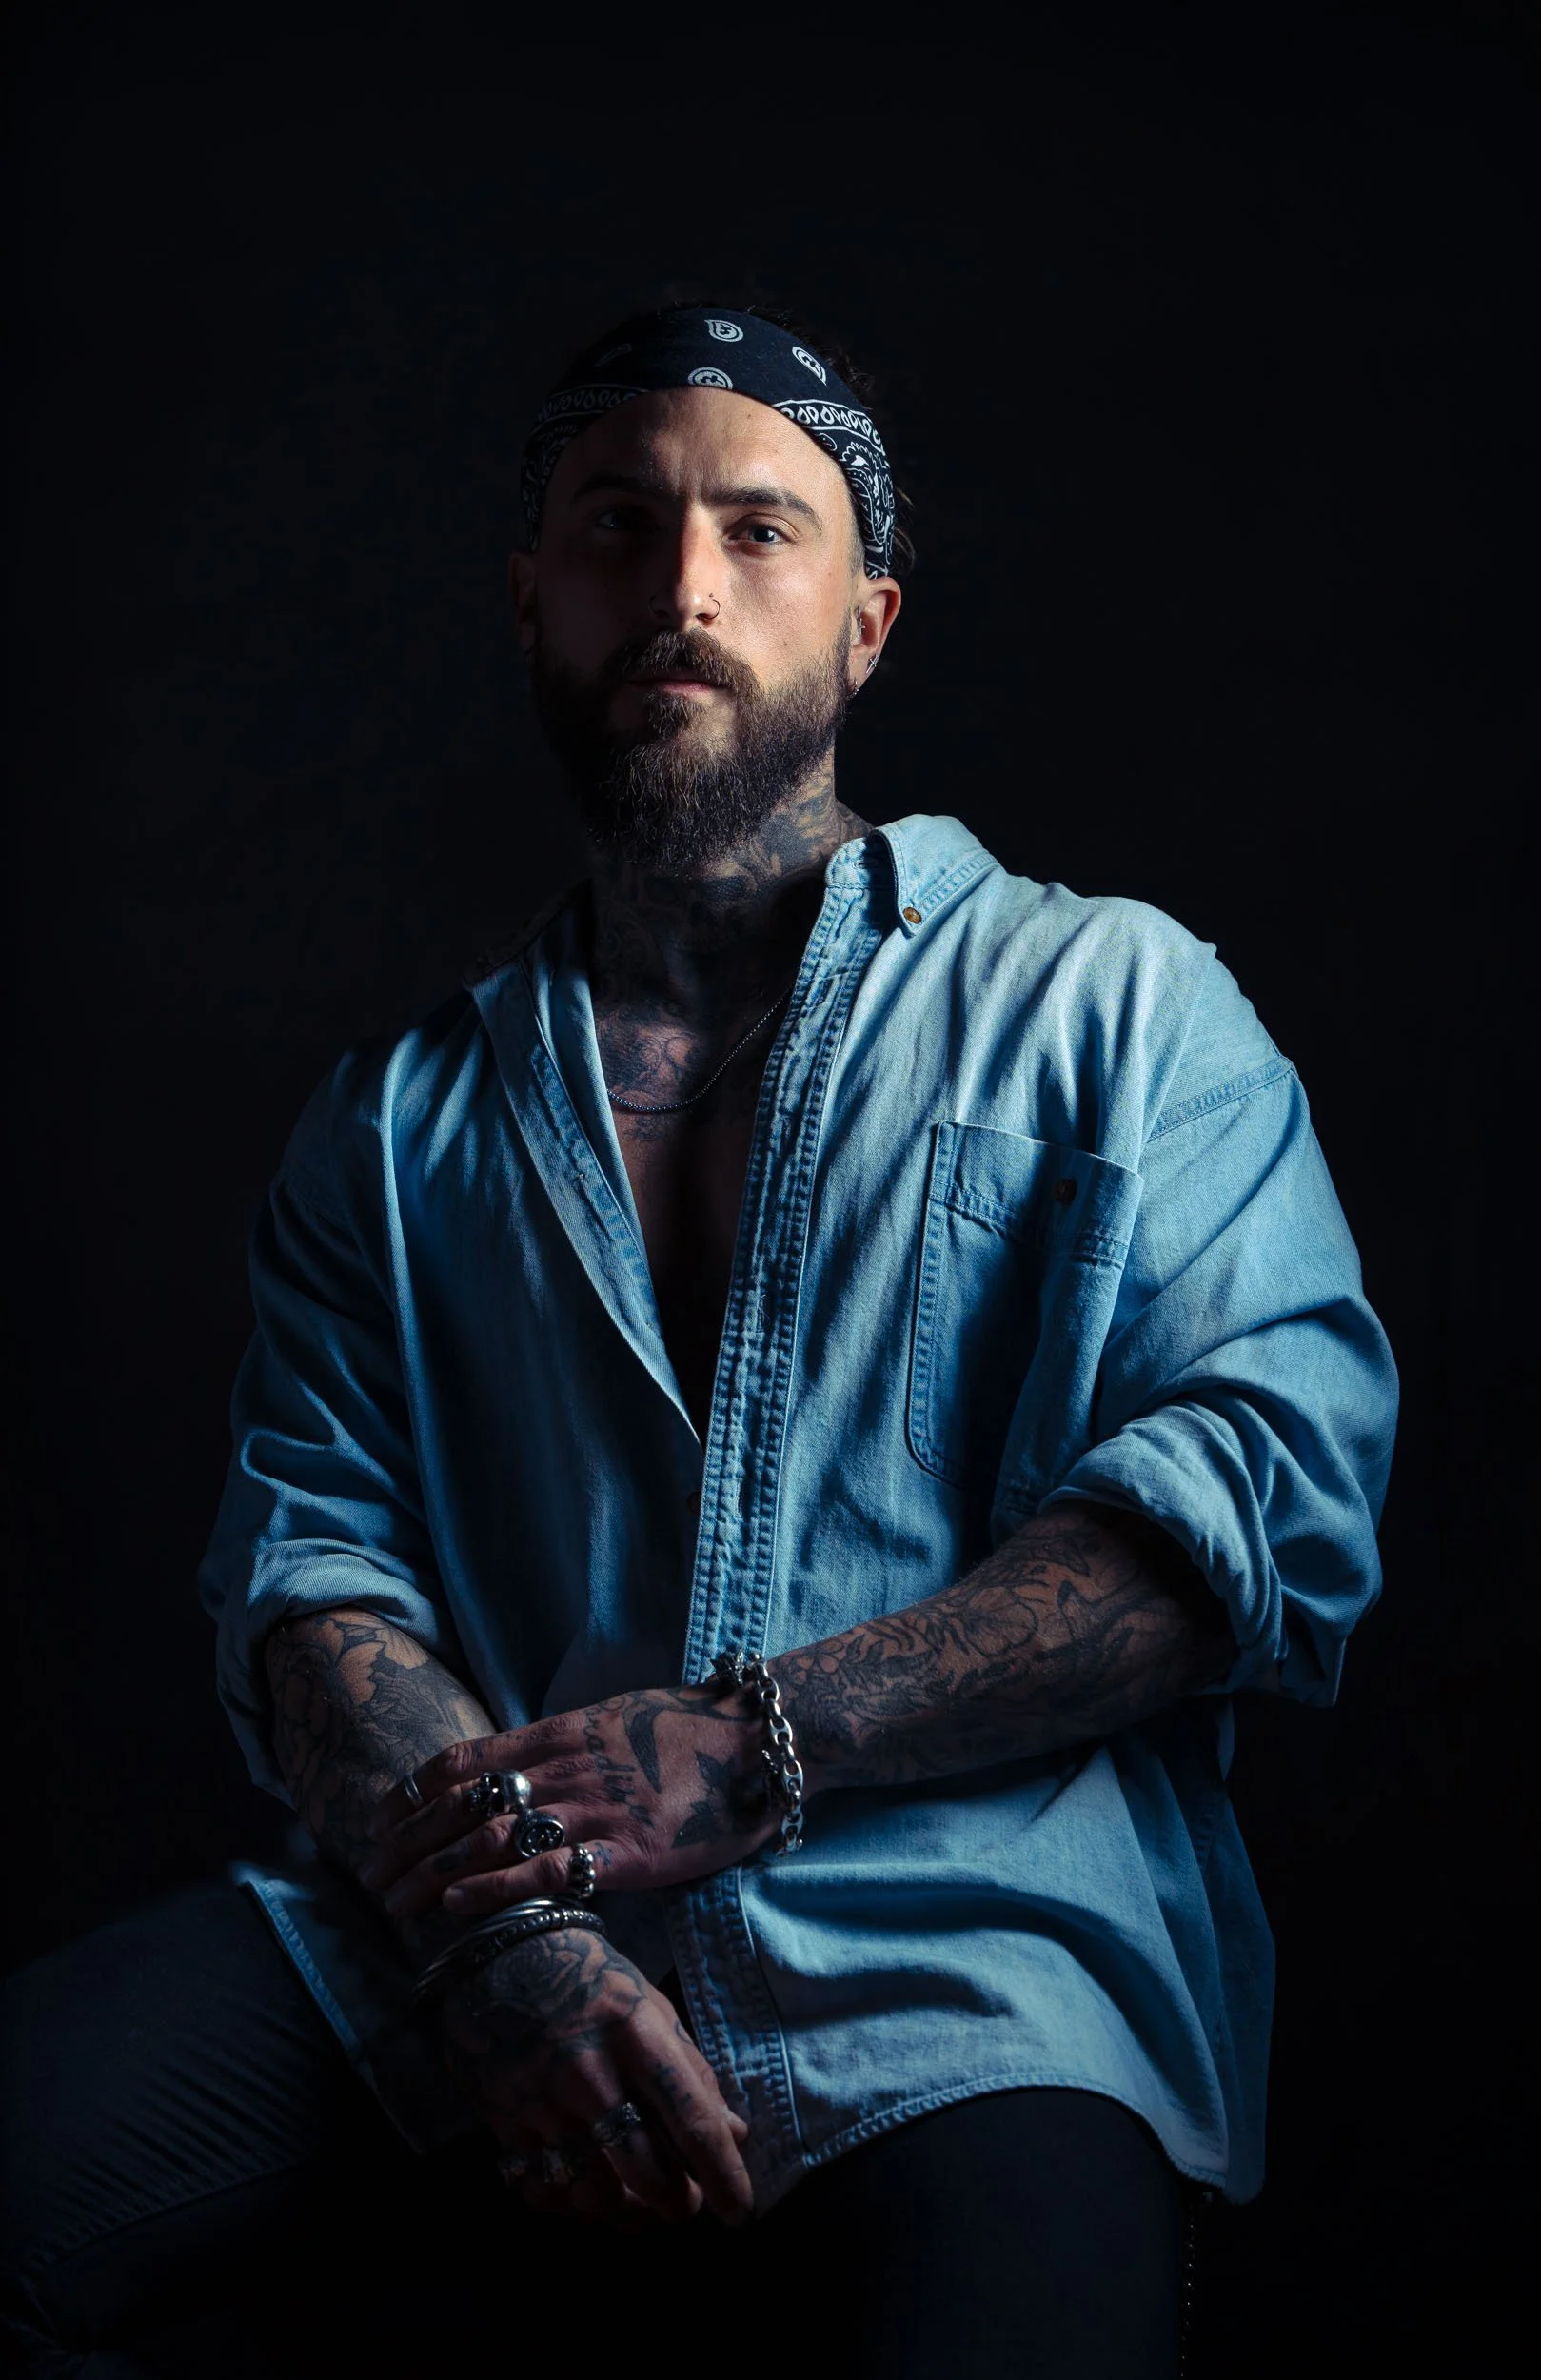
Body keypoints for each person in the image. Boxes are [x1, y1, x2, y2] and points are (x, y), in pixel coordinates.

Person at [0, 302, 1397, 2377]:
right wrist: (508, 1934)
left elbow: (1259, 1500)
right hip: (449, 1936)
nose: (678, 586)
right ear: (528, 600)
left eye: (761, 532)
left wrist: (752, 1740)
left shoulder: (1118, 1006)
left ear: (866, 623)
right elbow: (310, 1578)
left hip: (968, 1962)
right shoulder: (397, 1125)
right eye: (615, 526)